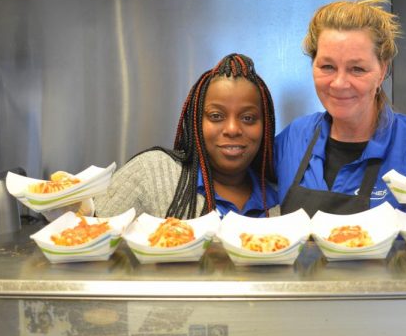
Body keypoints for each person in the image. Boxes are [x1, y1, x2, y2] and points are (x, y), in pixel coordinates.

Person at [275, 0, 406, 215]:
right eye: (327, 66)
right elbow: (239, 182)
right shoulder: (294, 138)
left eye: (357, 69)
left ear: (382, 71)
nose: (339, 83)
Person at [94, 53, 278, 219]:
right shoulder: (150, 172)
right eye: (216, 116)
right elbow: (86, 235)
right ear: (196, 121)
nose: (232, 129)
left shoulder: (280, 197)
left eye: (248, 118)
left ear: (265, 126)